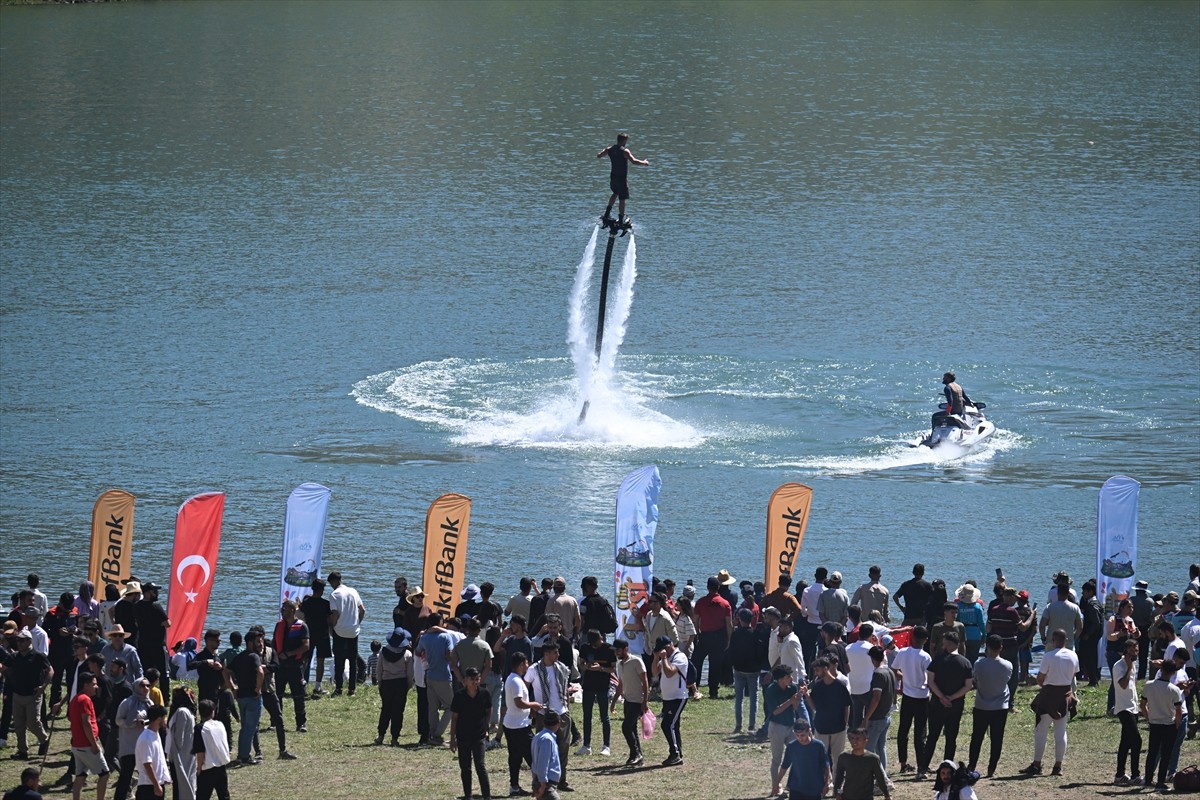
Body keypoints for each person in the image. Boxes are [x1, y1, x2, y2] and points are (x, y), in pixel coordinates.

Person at [1022, 628, 1078, 777]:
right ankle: (1057, 766)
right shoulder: (1073, 655)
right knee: (1061, 731)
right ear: (1066, 640)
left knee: (1041, 731)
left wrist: (1045, 684)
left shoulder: (1048, 656)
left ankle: (1037, 764)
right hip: (1065, 694)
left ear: (1053, 640)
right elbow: (1073, 674)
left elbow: (1040, 677)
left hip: (1048, 694)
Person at [920, 632, 973, 779]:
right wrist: (952, 697)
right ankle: (948, 768)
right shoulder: (965, 662)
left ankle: (923, 767)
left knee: (932, 736)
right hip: (955, 705)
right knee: (951, 737)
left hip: (937, 704)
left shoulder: (938, 660)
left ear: (949, 644)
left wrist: (942, 697)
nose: (943, 646)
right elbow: (968, 686)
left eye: (944, 643)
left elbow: (931, 681)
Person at [526, 641, 574, 791]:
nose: (558, 655)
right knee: (544, 749)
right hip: (543, 714)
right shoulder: (534, 669)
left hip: (561, 713)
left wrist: (567, 709)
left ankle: (561, 781)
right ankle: (542, 782)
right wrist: (531, 706)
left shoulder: (561, 668)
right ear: (546, 654)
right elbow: (525, 686)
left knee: (563, 748)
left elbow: (565, 689)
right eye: (555, 652)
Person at [967, 635, 1011, 778]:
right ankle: (991, 768)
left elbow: (976, 680)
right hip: (1000, 706)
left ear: (987, 647)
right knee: (997, 738)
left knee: (977, 737)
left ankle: (972, 764)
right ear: (1001, 648)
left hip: (982, 705)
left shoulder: (979, 663)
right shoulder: (1007, 665)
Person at [890, 625, 930, 775]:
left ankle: (903, 763)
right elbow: (930, 676)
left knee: (903, 730)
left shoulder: (902, 652)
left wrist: (903, 677)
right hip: (922, 696)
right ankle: (921, 767)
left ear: (912, 637)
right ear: (925, 640)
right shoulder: (925, 657)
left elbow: (894, 669)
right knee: (920, 733)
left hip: (907, 695)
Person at [8, 629, 52, 761]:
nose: (19, 643)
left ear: (29, 641)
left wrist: (43, 687)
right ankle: (22, 751)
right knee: (19, 725)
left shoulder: (38, 656)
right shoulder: (14, 656)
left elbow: (50, 671)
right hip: (17, 694)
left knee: (33, 723)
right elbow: (4, 667)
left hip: (33, 695)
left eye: (22, 640)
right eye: (18, 640)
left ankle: (44, 739)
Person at [449, 667, 492, 800]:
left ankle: (487, 796)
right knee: (465, 767)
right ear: (466, 680)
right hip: (463, 737)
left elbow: (488, 711)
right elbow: (454, 718)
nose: (475, 682)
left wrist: (486, 728)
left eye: (477, 679)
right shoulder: (459, 696)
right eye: (472, 679)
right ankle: (468, 795)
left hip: (479, 736)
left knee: (480, 766)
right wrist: (452, 738)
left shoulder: (484, 694)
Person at [1142, 659, 1183, 792]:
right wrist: (1177, 724)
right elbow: (1178, 710)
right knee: (1166, 754)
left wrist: (1149, 717)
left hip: (1154, 723)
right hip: (1168, 724)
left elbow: (1143, 704)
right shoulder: (1174, 689)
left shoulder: (1149, 685)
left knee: (1152, 752)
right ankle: (1160, 781)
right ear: (1172, 673)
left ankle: (1148, 779)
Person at [416, 613, 458, 746]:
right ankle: (437, 734)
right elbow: (449, 654)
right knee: (451, 706)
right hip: (444, 676)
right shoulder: (446, 636)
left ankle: (432, 736)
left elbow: (417, 652)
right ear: (440, 622)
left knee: (432, 708)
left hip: (429, 675)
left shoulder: (425, 637)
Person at [224, 629, 264, 766]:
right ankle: (245, 756)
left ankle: (242, 754)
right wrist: (258, 688)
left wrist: (233, 688)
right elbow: (260, 672)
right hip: (253, 697)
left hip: (241, 697)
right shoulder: (254, 656)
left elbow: (226, 671)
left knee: (245, 727)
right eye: (258, 641)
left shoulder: (239, 657)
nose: (261, 644)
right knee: (250, 727)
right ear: (250, 643)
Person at [502, 652, 540, 795]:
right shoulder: (516, 681)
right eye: (525, 663)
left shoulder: (512, 679)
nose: (527, 665)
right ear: (519, 665)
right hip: (519, 726)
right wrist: (533, 705)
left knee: (515, 757)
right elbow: (519, 702)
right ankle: (539, 787)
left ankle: (514, 787)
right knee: (532, 756)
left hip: (512, 724)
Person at [69, 672, 110, 800]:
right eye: (94, 684)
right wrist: (94, 744)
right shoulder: (85, 700)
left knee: (80, 776)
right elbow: (86, 723)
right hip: (87, 745)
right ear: (85, 685)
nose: (96, 687)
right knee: (105, 774)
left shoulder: (76, 698)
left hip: (77, 745)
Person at [764, 665, 804, 791]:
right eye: (788, 677)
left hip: (790, 726)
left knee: (797, 755)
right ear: (780, 679)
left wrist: (797, 699)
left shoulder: (792, 688)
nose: (791, 679)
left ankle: (793, 784)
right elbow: (775, 712)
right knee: (777, 758)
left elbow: (794, 707)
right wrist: (790, 701)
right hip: (777, 727)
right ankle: (775, 786)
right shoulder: (771, 690)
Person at [805, 656, 851, 764]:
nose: (816, 673)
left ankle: (836, 780)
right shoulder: (818, 686)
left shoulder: (840, 685)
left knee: (837, 759)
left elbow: (847, 705)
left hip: (838, 727)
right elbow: (814, 707)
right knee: (821, 758)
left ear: (825, 669)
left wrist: (845, 723)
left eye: (817, 670)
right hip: (821, 727)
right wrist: (807, 695)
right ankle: (825, 780)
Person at [652, 634, 690, 767]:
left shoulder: (680, 657)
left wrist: (663, 658)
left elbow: (669, 673)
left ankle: (675, 754)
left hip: (678, 697)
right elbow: (655, 672)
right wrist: (657, 657)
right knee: (674, 726)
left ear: (668, 647)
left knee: (667, 725)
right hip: (668, 698)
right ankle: (677, 752)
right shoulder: (665, 657)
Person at [610, 638, 649, 767]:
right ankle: (637, 756)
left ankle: (636, 753)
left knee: (626, 727)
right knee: (632, 728)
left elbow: (645, 682)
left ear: (626, 648)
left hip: (637, 701)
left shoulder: (636, 661)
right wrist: (614, 701)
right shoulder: (619, 664)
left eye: (618, 650)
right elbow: (620, 684)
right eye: (615, 651)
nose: (616, 653)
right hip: (628, 700)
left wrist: (645, 700)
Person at [575, 628, 614, 756]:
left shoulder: (609, 649)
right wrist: (585, 666)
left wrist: (601, 668)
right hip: (588, 686)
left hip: (603, 686)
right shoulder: (585, 648)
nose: (598, 643)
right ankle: (586, 745)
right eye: (595, 642)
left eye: (599, 640)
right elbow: (580, 663)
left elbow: (613, 669)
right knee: (587, 716)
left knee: (605, 717)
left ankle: (606, 745)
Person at [326, 572, 365, 697]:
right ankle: (352, 690)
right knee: (353, 662)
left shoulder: (334, 595)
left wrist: (332, 627)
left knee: (339, 660)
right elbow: (362, 609)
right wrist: (357, 623)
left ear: (333, 582)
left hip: (340, 631)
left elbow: (334, 614)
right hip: (354, 631)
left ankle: (338, 689)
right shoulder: (353, 591)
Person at [597, 132, 649, 225]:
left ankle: (606, 214)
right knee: (622, 199)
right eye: (626, 141)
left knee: (614, 193)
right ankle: (621, 220)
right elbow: (634, 161)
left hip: (613, 177)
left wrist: (604, 151)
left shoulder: (610, 149)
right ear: (624, 140)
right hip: (621, 178)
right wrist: (644, 162)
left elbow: (599, 155)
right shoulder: (625, 151)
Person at [132, 583, 170, 703]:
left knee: (145, 671)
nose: (156, 593)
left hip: (143, 643)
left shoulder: (137, 606)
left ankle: (144, 693)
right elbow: (168, 623)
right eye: (154, 591)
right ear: (148, 592)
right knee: (163, 673)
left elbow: (136, 624)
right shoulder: (156, 606)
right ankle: (165, 697)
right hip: (158, 644)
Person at [375, 626, 414, 746]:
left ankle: (381, 736)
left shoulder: (383, 651)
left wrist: (380, 683)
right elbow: (410, 674)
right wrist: (408, 686)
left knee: (385, 709)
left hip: (386, 683)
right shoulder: (407, 654)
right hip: (401, 684)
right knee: (398, 711)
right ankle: (394, 738)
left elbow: (378, 670)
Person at [773, 719, 830, 800]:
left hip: (814, 787)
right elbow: (784, 766)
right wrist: (777, 782)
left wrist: (826, 784)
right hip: (796, 787)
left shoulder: (818, 746)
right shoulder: (791, 746)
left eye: (802, 735)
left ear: (809, 731)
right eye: (797, 735)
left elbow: (825, 766)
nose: (800, 738)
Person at [863, 645, 896, 782]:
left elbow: (876, 698)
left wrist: (866, 718)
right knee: (881, 748)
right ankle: (882, 777)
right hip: (886, 716)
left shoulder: (878, 674)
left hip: (876, 718)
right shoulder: (890, 671)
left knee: (870, 749)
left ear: (872, 658)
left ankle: (882, 780)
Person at [1112, 638, 1142, 786]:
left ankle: (1119, 775)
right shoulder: (1119, 666)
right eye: (1131, 651)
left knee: (1126, 742)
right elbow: (1123, 685)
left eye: (1136, 651)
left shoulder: (1134, 664)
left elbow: (1132, 688)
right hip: (1123, 708)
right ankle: (1135, 774)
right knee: (1137, 740)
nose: (1134, 654)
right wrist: (1129, 668)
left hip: (1133, 707)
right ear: (1125, 651)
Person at [833, 727, 890, 800]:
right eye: (852, 738)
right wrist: (837, 793)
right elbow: (839, 777)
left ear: (865, 741)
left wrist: (886, 795)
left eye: (858, 739)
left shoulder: (872, 759)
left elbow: (880, 778)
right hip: (847, 796)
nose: (854, 741)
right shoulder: (844, 757)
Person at [729, 607, 761, 734]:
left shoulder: (736, 634)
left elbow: (731, 651)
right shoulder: (755, 633)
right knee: (754, 697)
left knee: (739, 698)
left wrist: (733, 664)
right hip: (753, 669)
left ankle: (738, 725)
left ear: (740, 619)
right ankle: (752, 725)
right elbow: (759, 652)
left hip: (739, 668)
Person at [297, 579, 332, 694]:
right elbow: (329, 619)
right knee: (320, 661)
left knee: (305, 660)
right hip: (323, 634)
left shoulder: (306, 602)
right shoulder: (326, 604)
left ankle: (300, 684)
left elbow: (301, 613)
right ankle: (317, 687)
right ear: (322, 590)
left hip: (308, 634)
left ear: (312, 588)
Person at [191, 700, 231, 800]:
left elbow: (200, 750)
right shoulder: (220, 724)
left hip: (207, 769)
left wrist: (199, 768)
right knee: (224, 795)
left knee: (202, 796)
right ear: (213, 711)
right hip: (221, 766)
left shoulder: (199, 728)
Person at [165, 686, 196, 800]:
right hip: (185, 753)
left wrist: (174, 754)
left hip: (180, 755)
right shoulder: (186, 711)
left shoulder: (182, 712)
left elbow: (179, 738)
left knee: (180, 784)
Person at [134, 705, 170, 800]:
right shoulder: (146, 739)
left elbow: (159, 759)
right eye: (164, 718)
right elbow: (147, 764)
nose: (165, 721)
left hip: (156, 784)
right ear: (158, 719)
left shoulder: (155, 734)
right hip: (148, 787)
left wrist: (165, 777)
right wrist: (156, 785)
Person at [845, 621, 876, 729]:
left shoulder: (847, 648)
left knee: (856, 716)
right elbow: (882, 663)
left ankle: (856, 734)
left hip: (852, 686)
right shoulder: (872, 649)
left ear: (859, 634)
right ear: (872, 635)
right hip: (868, 686)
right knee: (870, 715)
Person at [531, 710, 563, 800]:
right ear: (558, 723)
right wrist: (542, 784)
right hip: (546, 784)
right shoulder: (547, 740)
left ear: (544, 722)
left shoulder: (537, 736)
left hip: (540, 781)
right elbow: (543, 762)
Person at [1078, 579, 1104, 685]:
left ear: (1090, 592)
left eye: (1084, 591)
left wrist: (1087, 635)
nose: (1083, 594)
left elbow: (1096, 623)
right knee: (1091, 657)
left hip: (1090, 637)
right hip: (1094, 636)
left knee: (1089, 658)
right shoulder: (1096, 602)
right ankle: (1093, 679)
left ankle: (1093, 680)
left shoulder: (1092, 605)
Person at [929, 371, 972, 435]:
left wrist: (948, 412)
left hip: (953, 411)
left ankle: (933, 435)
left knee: (934, 416)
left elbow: (950, 401)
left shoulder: (947, 387)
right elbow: (965, 398)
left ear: (949, 378)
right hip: (960, 411)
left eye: (944, 377)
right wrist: (971, 404)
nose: (943, 379)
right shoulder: (959, 386)